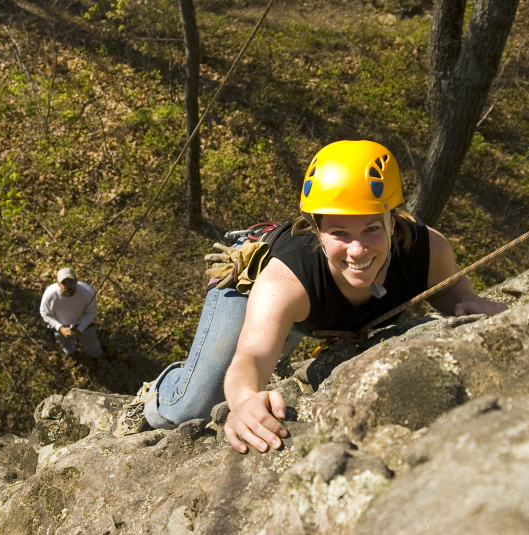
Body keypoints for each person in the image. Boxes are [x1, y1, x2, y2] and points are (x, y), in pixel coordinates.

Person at [110, 140, 507, 451]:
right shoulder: (285, 281)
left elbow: (455, 292)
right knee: (192, 406)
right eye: (339, 233)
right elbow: (251, 357)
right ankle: (157, 392)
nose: (357, 250)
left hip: (319, 313)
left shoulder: (426, 251)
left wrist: (467, 305)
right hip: (250, 290)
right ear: (316, 230)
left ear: (393, 219)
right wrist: (245, 399)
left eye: (371, 228)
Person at [40, 267, 104, 364]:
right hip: (60, 326)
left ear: (76, 281)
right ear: (58, 283)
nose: (68, 286)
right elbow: (45, 313)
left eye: (71, 282)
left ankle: (98, 358)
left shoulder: (87, 292)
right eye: (64, 283)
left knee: (93, 346)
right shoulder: (50, 295)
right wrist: (61, 328)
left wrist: (79, 330)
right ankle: (72, 355)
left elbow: (92, 311)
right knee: (66, 345)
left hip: (84, 325)